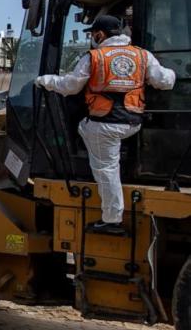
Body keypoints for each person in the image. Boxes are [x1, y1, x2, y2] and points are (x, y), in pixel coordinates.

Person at [35, 14, 176, 234]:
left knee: (104, 166)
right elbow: (164, 81)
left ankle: (111, 219)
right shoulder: (142, 55)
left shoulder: (95, 57)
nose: (92, 38)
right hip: (132, 123)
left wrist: (46, 80)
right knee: (97, 137)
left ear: (100, 34)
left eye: (92, 34)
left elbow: (70, 86)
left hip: (105, 125)